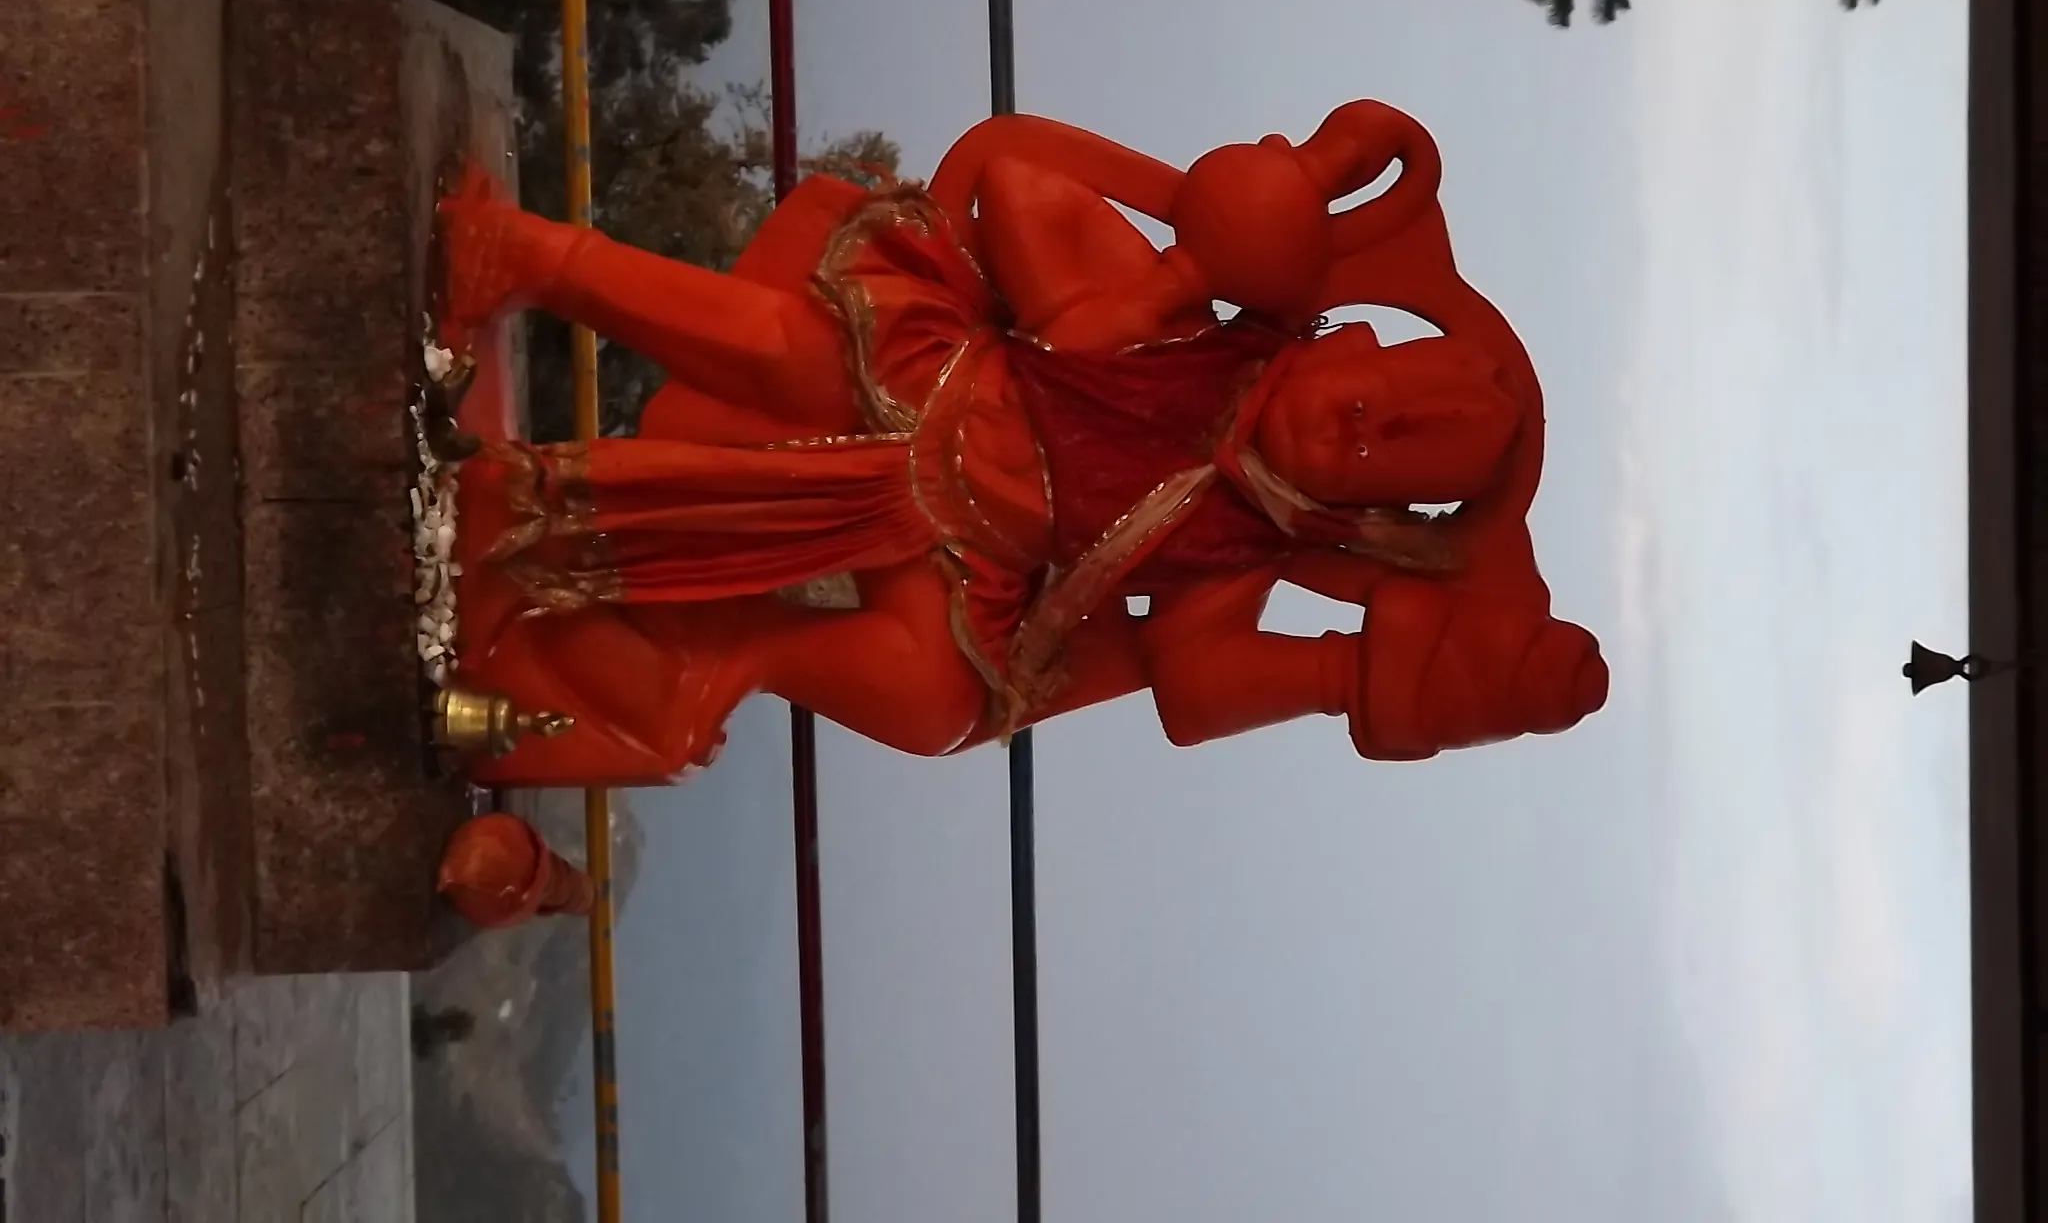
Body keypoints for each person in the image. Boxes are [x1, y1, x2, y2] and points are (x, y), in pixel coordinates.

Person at [436, 99, 1608, 786]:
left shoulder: (1236, 550)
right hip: (944, 387)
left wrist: (1341, 677)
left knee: (934, 699)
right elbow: (1020, 181)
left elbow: (1191, 689)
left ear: (1370, 518)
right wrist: (1177, 264)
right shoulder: (1195, 334)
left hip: (963, 560)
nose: (1354, 423)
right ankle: (533, 257)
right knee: (778, 345)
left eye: (1379, 452)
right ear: (1337, 338)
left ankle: (721, 656)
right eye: (1368, 393)